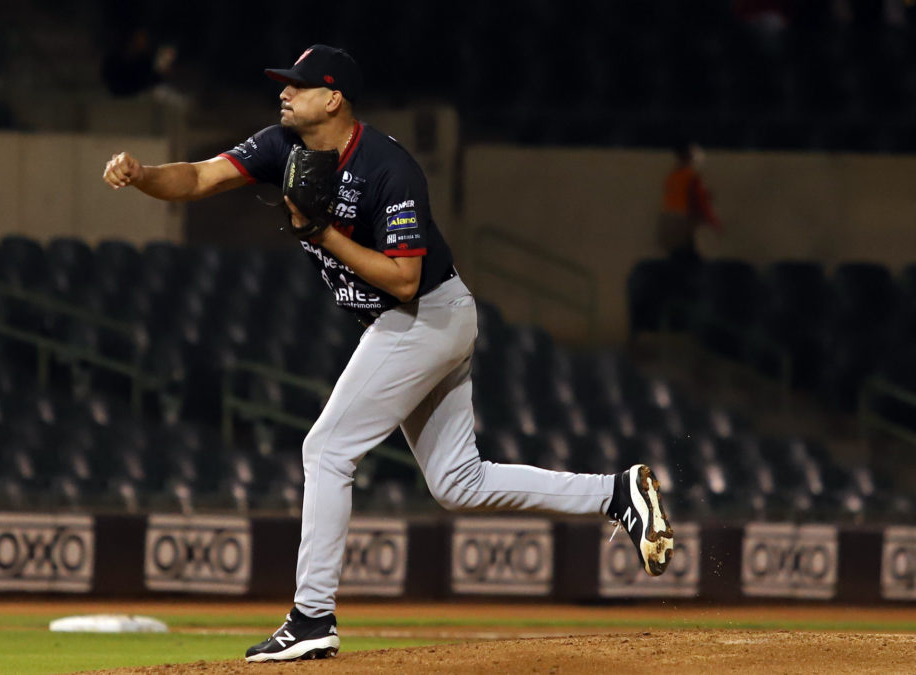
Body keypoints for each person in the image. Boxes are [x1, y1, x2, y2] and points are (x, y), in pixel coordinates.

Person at [103, 44, 674, 663]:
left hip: (424, 314)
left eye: (298, 86)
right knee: (460, 483)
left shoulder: (388, 168)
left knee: (325, 449)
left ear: (334, 98)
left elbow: (403, 280)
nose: (283, 94)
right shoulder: (281, 145)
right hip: (415, 320)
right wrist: (143, 176)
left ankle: (312, 616)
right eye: (284, 86)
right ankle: (616, 494)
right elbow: (197, 177)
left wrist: (320, 233)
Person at [657, 141, 721, 267]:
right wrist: (714, 223)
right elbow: (701, 204)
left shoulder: (673, 176)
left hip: (669, 224)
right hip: (682, 225)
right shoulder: (691, 177)